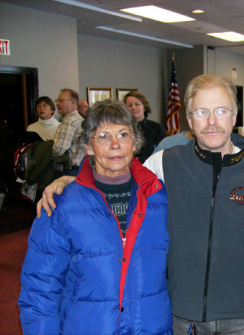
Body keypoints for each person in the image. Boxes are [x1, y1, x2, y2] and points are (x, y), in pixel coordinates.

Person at [38, 74, 244, 335]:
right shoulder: (163, 163)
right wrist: (70, 180)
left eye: (221, 111)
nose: (211, 121)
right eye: (201, 112)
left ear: (234, 116)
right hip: (180, 309)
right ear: (189, 119)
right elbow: (116, 173)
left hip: (241, 311)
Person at [19, 100, 173, 334]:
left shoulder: (159, 197)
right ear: (88, 146)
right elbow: (40, 290)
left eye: (123, 134)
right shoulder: (60, 204)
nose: (115, 145)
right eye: (102, 136)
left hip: (150, 327)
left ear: (135, 142)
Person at [124, 91, 166, 162]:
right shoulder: (122, 129)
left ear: (144, 107)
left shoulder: (156, 128)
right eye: (129, 105)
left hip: (150, 167)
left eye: (137, 104)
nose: (133, 108)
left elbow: (163, 153)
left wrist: (139, 160)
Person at [52, 88, 85, 175]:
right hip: (82, 169)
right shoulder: (80, 119)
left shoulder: (68, 122)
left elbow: (58, 150)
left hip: (71, 171)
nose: (57, 103)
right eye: (57, 100)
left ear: (73, 102)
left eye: (61, 101)